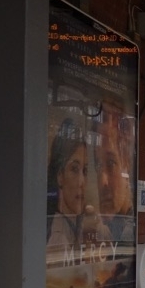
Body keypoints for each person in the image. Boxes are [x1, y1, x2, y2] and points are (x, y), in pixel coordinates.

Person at [94, 101, 135, 242]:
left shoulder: (131, 233)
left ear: (127, 164)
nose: (103, 181)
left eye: (111, 163)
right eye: (98, 165)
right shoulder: (104, 227)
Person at [47, 118, 89, 249]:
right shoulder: (58, 240)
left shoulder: (82, 229)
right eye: (74, 169)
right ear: (60, 176)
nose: (82, 182)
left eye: (85, 170)